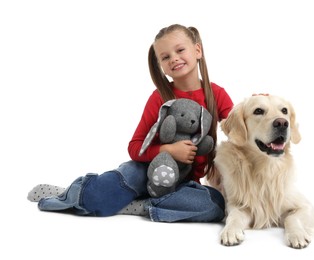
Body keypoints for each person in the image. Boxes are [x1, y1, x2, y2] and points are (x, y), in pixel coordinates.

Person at [27, 24, 234, 222]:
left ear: (197, 50)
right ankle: (70, 193)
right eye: (165, 57)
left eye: (180, 50)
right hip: (145, 172)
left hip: (182, 182)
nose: (174, 58)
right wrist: (168, 150)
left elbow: (239, 127)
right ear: (161, 65)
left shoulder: (216, 95)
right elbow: (135, 148)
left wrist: (262, 107)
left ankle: (141, 206)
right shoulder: (159, 97)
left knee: (215, 205)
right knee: (100, 196)